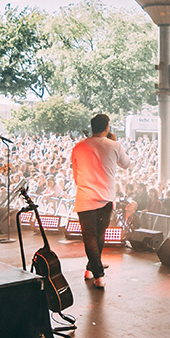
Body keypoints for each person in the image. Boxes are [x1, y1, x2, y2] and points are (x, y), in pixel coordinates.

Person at [71, 114, 131, 288]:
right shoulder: (114, 145)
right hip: (105, 198)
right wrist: (114, 141)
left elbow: (76, 175)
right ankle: (99, 275)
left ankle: (92, 268)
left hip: (84, 197)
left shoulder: (78, 147)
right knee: (98, 235)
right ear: (107, 127)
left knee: (89, 236)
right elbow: (126, 164)